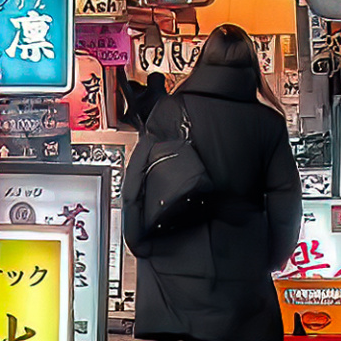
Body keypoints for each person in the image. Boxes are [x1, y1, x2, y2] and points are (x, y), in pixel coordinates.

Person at [121, 25, 303, 341]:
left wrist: (138, 240)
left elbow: (135, 183)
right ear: (252, 68)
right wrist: (274, 256)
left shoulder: (169, 110)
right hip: (242, 272)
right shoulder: (268, 123)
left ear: (202, 62)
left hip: (170, 271)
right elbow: (285, 198)